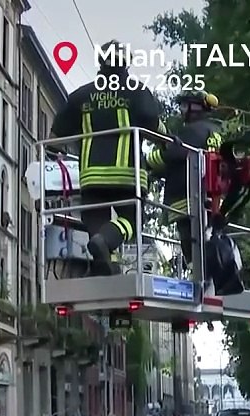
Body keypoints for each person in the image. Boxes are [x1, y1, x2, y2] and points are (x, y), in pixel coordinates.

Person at [49, 40, 164, 276]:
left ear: (101, 62)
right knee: (131, 220)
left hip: (91, 177)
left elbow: (54, 138)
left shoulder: (80, 96)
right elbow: (156, 127)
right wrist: (171, 143)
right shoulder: (138, 92)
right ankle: (104, 246)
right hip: (127, 176)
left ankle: (105, 265)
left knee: (96, 222)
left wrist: (51, 162)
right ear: (126, 63)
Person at [145, 89, 224, 272]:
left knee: (191, 247)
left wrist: (146, 161)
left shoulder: (192, 131)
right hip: (210, 198)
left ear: (194, 107)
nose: (181, 110)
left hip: (187, 199)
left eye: (183, 106)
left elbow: (173, 154)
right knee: (207, 243)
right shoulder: (214, 131)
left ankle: (197, 273)